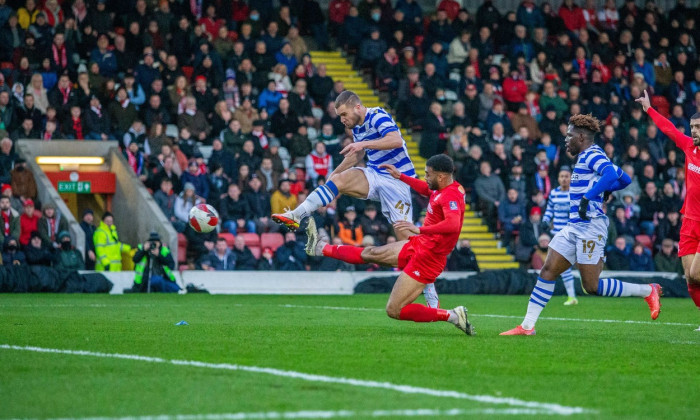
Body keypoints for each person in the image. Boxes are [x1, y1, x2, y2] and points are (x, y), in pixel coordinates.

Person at [272, 91, 440, 307]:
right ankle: (296, 214)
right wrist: (334, 175)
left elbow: (396, 140)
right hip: (375, 175)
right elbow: (357, 156)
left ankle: (431, 297)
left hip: (398, 182)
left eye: (344, 114)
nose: (342, 120)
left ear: (358, 107)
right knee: (340, 180)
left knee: (411, 247)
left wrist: (363, 144)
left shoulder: (378, 115)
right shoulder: (357, 127)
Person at [501, 114, 661, 336]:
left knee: (591, 286)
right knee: (548, 270)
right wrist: (604, 190)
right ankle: (527, 326)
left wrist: (590, 196)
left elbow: (610, 173)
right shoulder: (588, 156)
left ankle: (647, 290)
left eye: (569, 135)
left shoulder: (592, 155)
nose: (566, 139)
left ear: (582, 136)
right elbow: (623, 179)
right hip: (574, 225)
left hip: (591, 226)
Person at [305, 155, 472, 335]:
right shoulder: (442, 188)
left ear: (440, 177)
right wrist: (400, 176)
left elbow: (453, 225)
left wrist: (420, 229)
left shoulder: (450, 195)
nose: (425, 177)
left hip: (428, 258)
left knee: (394, 310)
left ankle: (452, 315)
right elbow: (426, 189)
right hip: (420, 246)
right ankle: (320, 248)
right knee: (371, 253)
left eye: (428, 174)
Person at [637, 89, 700, 323]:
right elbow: (669, 129)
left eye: (698, 128)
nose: (694, 132)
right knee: (690, 279)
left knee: (697, 273)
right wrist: (649, 108)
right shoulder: (688, 147)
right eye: (693, 127)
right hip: (689, 221)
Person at [541, 167, 578, 305]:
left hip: (572, 234)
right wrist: (545, 220)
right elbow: (550, 209)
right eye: (561, 176)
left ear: (570, 178)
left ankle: (575, 294)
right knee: (562, 266)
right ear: (558, 178)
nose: (564, 179)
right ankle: (572, 296)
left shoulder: (575, 193)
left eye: (566, 176)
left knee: (568, 265)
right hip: (557, 234)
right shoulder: (554, 193)